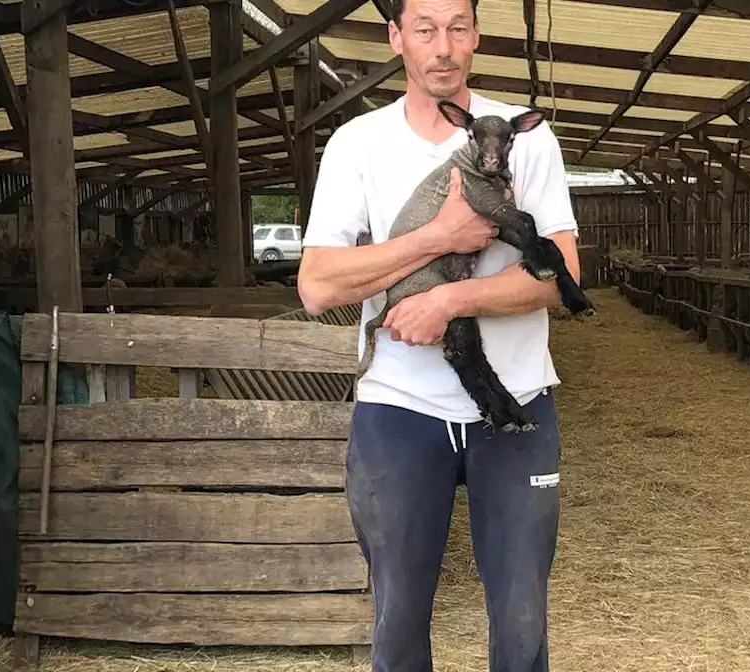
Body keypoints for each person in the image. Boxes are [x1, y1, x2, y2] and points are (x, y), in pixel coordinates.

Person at [294, 0, 580, 669]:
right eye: (424, 29)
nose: (442, 47)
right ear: (396, 37)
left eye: (457, 27)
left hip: (518, 403)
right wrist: (438, 238)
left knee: (521, 620)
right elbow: (317, 285)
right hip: (398, 409)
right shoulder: (357, 144)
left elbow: (562, 276)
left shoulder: (522, 137)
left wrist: (450, 299)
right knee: (397, 622)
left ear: (476, 35)